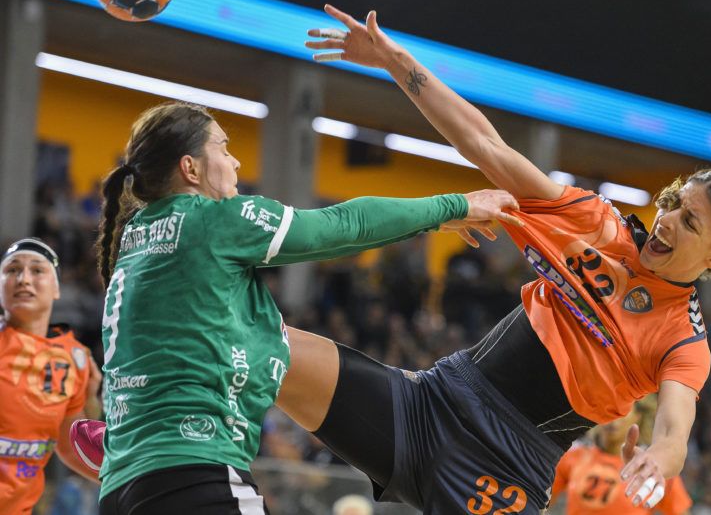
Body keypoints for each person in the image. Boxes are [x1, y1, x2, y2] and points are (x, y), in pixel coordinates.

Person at [271, 4, 711, 514]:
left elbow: (675, 427)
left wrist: (660, 459)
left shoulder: (684, 340)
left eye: (691, 224)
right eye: (677, 204)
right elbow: (485, 145)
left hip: (503, 474)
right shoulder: (599, 225)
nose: (667, 221)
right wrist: (395, 60)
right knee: (264, 351)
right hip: (428, 404)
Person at [71, 100, 519, 515]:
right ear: (190, 168)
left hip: (121, 487)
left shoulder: (134, 240)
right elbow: (344, 225)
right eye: (224, 149)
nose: (235, 162)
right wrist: (455, 204)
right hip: (194, 472)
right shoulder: (211, 220)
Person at [0, 238, 101, 514]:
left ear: (57, 287)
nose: (24, 279)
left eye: (37, 270)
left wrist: (130, 477)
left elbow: (70, 445)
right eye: (12, 270)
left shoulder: (74, 358)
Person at [551, 397, 693, 515]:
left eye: (622, 412)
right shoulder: (572, 456)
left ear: (637, 417)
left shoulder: (652, 466)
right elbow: (539, 501)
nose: (614, 419)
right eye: (609, 411)